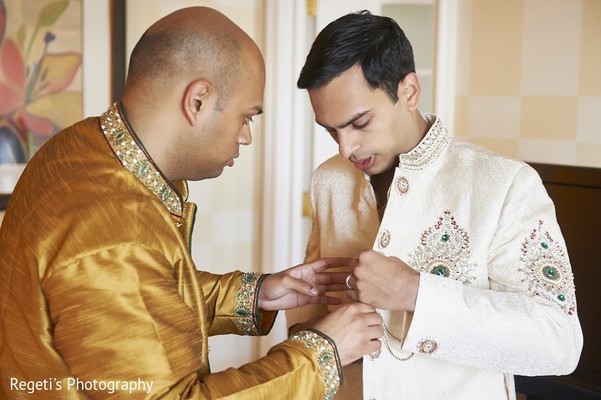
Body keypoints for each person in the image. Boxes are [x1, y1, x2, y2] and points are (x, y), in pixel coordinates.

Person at [0, 7, 385, 400]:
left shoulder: (78, 148)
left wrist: (255, 294)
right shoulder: (118, 233)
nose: (246, 137)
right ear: (198, 100)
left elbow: (141, 301)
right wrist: (323, 351)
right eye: (246, 117)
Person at [286, 10, 583, 400]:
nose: (345, 148)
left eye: (359, 123)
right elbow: (311, 320)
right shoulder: (330, 179)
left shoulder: (505, 184)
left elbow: (558, 344)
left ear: (408, 91)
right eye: (331, 130)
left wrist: (414, 293)